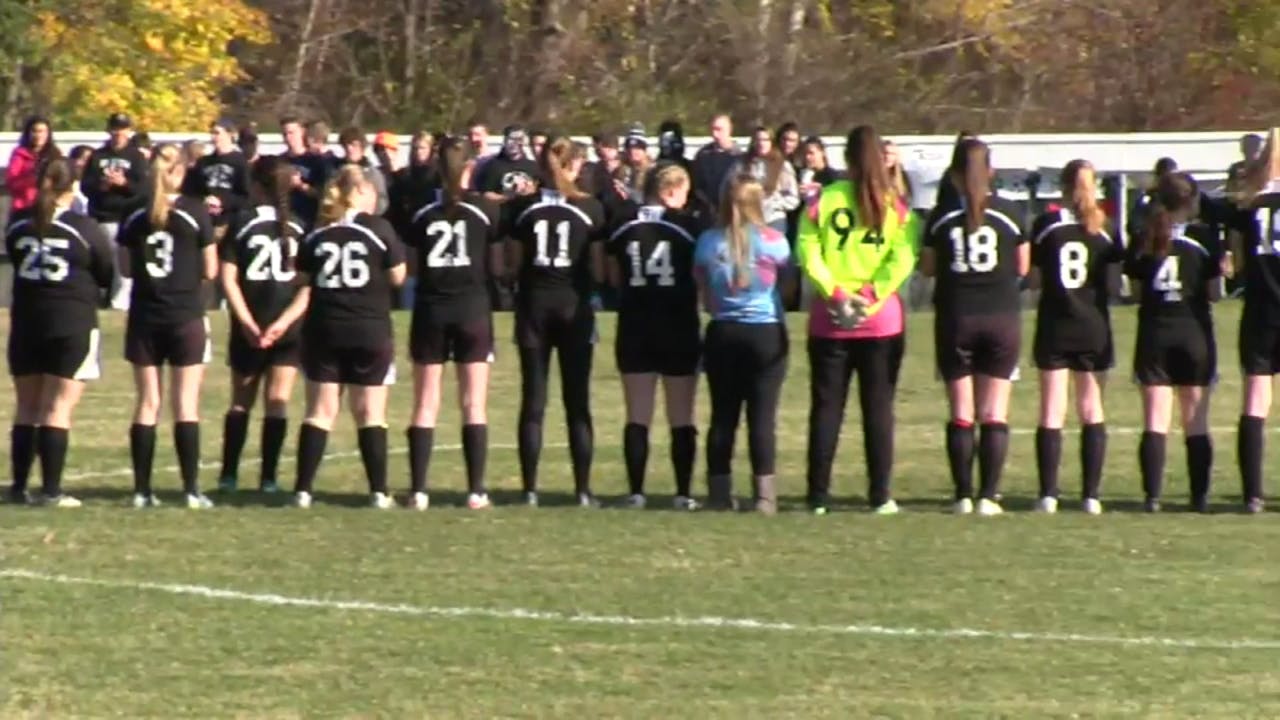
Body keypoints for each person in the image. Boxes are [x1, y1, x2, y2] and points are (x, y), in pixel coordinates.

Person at [797, 125, 919, 515]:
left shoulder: (825, 200)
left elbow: (807, 249)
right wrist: (872, 295)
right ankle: (880, 495)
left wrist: (835, 292)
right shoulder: (895, 205)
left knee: (827, 407)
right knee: (878, 407)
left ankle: (818, 495)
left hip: (831, 318)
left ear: (847, 159)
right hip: (880, 319)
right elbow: (903, 257)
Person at [273, 165, 406, 509]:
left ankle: (302, 490)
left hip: (324, 328)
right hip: (369, 328)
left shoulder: (319, 233)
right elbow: (397, 277)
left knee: (319, 411)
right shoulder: (378, 228)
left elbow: (300, 280)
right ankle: (379, 492)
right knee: (370, 413)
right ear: (359, 193)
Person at [920, 138, 1028, 516]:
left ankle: (963, 495)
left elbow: (928, 268)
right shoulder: (1011, 213)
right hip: (1000, 317)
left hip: (955, 318)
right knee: (994, 411)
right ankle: (989, 495)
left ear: (953, 175)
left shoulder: (940, 216)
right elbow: (1023, 266)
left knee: (961, 410)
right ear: (992, 173)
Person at [5, 159, 113, 507]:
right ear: (72, 186)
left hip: (26, 323)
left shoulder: (19, 225)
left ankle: (19, 486)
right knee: (58, 408)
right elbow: (106, 271)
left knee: (27, 408)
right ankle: (51, 490)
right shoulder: (83, 226)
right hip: (71, 322)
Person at [506, 137, 606, 507]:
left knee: (533, 400)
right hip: (573, 306)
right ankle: (582, 490)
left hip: (534, 306)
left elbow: (512, 264)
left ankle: (530, 489)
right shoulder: (589, 208)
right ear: (574, 166)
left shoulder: (525, 207)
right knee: (576, 401)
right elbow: (597, 268)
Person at [117, 144, 218, 509]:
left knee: (147, 403)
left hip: (145, 316)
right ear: (178, 172)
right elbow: (211, 270)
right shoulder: (194, 211)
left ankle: (142, 491)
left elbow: (125, 268)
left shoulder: (134, 213)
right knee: (185, 404)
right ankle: (191, 490)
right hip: (185, 315)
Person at [404, 138, 502, 510]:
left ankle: (418, 491)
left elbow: (413, 265)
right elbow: (494, 259)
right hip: (472, 309)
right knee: (473, 403)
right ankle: (476, 491)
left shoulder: (422, 212)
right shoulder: (482, 211)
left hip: (432, 308)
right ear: (468, 169)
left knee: (425, 402)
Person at [606, 164, 704, 510]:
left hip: (634, 323)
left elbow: (611, 273)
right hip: (677, 325)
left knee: (637, 413)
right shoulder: (687, 227)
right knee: (681, 414)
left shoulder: (623, 223)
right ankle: (682, 493)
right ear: (672, 190)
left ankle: (636, 491)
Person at [693, 174, 792, 514]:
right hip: (764, 331)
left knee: (723, 416)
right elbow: (788, 285)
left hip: (723, 331)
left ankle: (719, 493)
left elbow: (704, 292)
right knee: (762, 417)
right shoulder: (775, 241)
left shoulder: (708, 242)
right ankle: (764, 495)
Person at [1029, 160, 1124, 515]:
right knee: (1091, 408)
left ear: (1063, 187)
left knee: (1052, 409)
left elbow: (1034, 279)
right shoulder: (1105, 228)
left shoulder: (1046, 226)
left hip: (1055, 323)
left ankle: (1048, 495)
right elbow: (1114, 285)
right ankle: (1091, 496)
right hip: (1093, 326)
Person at [1124, 171, 1220, 513]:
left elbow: (1135, 292)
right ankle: (1199, 497)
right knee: (1195, 419)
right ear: (1192, 200)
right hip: (1193, 334)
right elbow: (1214, 293)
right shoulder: (1204, 238)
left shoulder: (1145, 237)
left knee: (1155, 418)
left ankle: (1152, 497)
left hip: (1155, 333)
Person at [215, 157, 306, 494]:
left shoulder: (242, 223)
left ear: (256, 187)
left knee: (241, 402)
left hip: (251, 325)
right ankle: (269, 478)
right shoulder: (299, 225)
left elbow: (228, 279)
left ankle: (229, 475)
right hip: (287, 326)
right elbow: (308, 287)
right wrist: (283, 323)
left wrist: (247, 322)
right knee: (277, 401)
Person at [1229, 127, 1280, 513]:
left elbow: (1238, 265)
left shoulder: (1247, 208)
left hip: (1260, 309)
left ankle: (1252, 494)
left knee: (1254, 400)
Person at [84, 113, 149, 310]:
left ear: (129, 132)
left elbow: (143, 189)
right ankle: (100, 296)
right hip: (101, 215)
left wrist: (124, 183)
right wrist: (101, 185)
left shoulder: (136, 157)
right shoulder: (98, 155)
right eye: (115, 128)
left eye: (122, 129)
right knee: (100, 260)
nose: (118, 133)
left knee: (122, 261)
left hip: (125, 216)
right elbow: (85, 185)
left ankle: (119, 301)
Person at [183, 118, 251, 235]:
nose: (214, 137)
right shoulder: (204, 162)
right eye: (212, 133)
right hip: (205, 221)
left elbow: (246, 197)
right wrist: (204, 201)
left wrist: (222, 202)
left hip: (229, 223)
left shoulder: (240, 162)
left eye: (217, 133)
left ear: (230, 134)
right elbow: (191, 190)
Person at [733, 126, 799, 235]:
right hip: (747, 221)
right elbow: (730, 188)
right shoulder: (742, 164)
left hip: (773, 221)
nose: (761, 143)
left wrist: (775, 202)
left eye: (765, 140)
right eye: (758, 139)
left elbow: (793, 198)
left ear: (771, 142)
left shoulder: (782, 166)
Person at [278, 116, 327, 228]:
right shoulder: (280, 161)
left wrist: (300, 185)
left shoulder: (316, 161)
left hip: (308, 219)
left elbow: (322, 194)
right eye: (285, 134)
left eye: (291, 133)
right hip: (285, 219)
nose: (288, 137)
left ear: (302, 132)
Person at [6, 115, 60, 213]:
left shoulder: (55, 154)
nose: (38, 135)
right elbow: (12, 181)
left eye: (42, 131)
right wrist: (33, 176)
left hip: (49, 206)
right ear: (28, 133)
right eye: (34, 131)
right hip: (24, 206)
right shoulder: (19, 154)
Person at [476, 125, 539, 205]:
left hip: (528, 213)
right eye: (511, 139)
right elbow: (485, 194)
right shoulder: (492, 166)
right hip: (503, 214)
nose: (514, 143)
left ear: (523, 142)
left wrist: (531, 190)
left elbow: (539, 191)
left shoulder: (533, 166)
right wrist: (508, 197)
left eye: (519, 139)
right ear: (505, 140)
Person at [691, 113, 739, 214]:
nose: (715, 134)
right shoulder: (703, 155)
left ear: (729, 130)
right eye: (713, 129)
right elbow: (697, 186)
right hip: (708, 212)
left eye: (719, 129)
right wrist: (709, 204)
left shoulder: (739, 157)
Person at [337, 127, 389, 215]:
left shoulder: (373, 174)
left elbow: (382, 202)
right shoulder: (336, 171)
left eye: (354, 145)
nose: (349, 149)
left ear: (362, 146)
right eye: (346, 145)